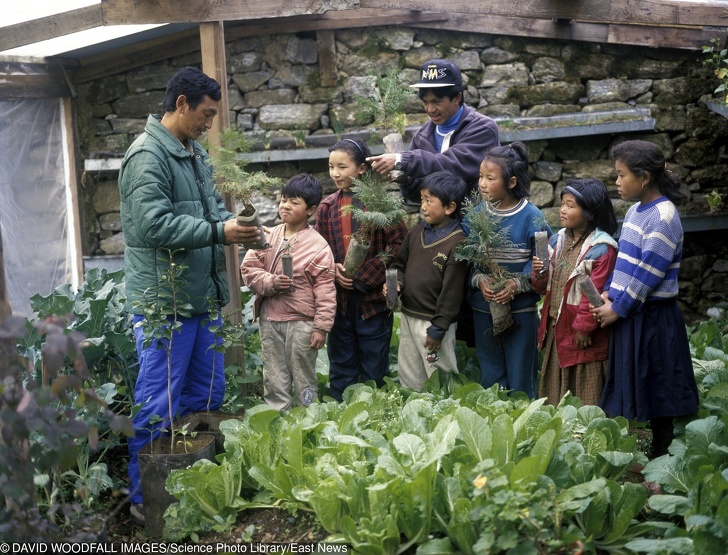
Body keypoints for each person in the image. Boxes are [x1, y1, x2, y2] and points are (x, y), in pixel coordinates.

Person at [119, 66, 261, 525]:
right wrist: (220, 230)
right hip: (166, 304)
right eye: (205, 113)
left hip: (199, 299)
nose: (209, 122)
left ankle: (194, 487)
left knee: (206, 394)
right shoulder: (146, 156)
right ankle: (146, 498)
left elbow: (213, 212)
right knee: (160, 398)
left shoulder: (194, 153)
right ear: (181, 103)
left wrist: (239, 229)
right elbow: (152, 225)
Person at [590, 140, 699, 458]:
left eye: (622, 175)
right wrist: (610, 289)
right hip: (633, 312)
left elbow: (649, 274)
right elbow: (625, 258)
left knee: (660, 386)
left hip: (654, 316)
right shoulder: (637, 210)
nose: (617, 182)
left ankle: (663, 457)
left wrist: (618, 309)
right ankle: (644, 454)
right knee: (643, 382)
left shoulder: (664, 217)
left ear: (644, 177)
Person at [315, 139, 408, 401]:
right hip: (339, 300)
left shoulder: (381, 204)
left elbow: (398, 246)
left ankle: (374, 410)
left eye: (342, 167)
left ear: (362, 169)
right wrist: (334, 270)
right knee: (341, 359)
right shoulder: (327, 207)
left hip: (372, 301)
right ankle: (339, 411)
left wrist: (361, 277)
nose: (335, 173)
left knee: (374, 360)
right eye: (331, 166)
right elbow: (319, 248)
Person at [241, 174, 336, 410]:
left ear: (311, 210)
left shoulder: (318, 246)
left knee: (304, 377)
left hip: (302, 324)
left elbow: (325, 290)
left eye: (294, 202)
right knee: (274, 377)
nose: (285, 206)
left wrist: (321, 328)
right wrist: (271, 282)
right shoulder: (267, 236)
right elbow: (249, 269)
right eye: (283, 200)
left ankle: (308, 421)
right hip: (271, 320)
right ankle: (277, 423)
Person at [466, 142, 551, 398]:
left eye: (490, 178)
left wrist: (517, 284)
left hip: (521, 311)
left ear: (511, 182)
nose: (481, 183)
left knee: (521, 372)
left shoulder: (532, 217)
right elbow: (468, 260)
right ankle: (495, 418)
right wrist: (480, 280)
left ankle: (525, 420)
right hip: (484, 308)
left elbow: (543, 261)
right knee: (491, 372)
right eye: (480, 176)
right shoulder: (474, 216)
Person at [531, 178, 618, 406]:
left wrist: (584, 329)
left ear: (589, 213)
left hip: (581, 332)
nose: (562, 210)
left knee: (584, 379)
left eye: (571, 206)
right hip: (556, 325)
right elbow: (542, 287)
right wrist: (539, 273)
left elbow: (595, 292)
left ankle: (588, 432)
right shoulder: (557, 241)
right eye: (562, 204)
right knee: (555, 378)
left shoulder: (601, 249)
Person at [366, 58, 500, 205]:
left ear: (457, 98)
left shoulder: (482, 129)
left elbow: (450, 167)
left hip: (479, 222)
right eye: (425, 102)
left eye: (437, 102)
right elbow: (419, 195)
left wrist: (401, 160)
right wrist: (406, 179)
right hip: (440, 225)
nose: (430, 109)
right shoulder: (422, 137)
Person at [386, 171, 469, 391]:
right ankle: (414, 413)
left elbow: (453, 292)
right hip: (408, 315)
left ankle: (444, 417)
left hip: (433, 322)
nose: (423, 206)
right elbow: (398, 265)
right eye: (422, 199)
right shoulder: (416, 232)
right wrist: (396, 283)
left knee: (439, 376)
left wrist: (438, 328)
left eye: (429, 201)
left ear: (450, 208)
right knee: (410, 372)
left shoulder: (458, 242)